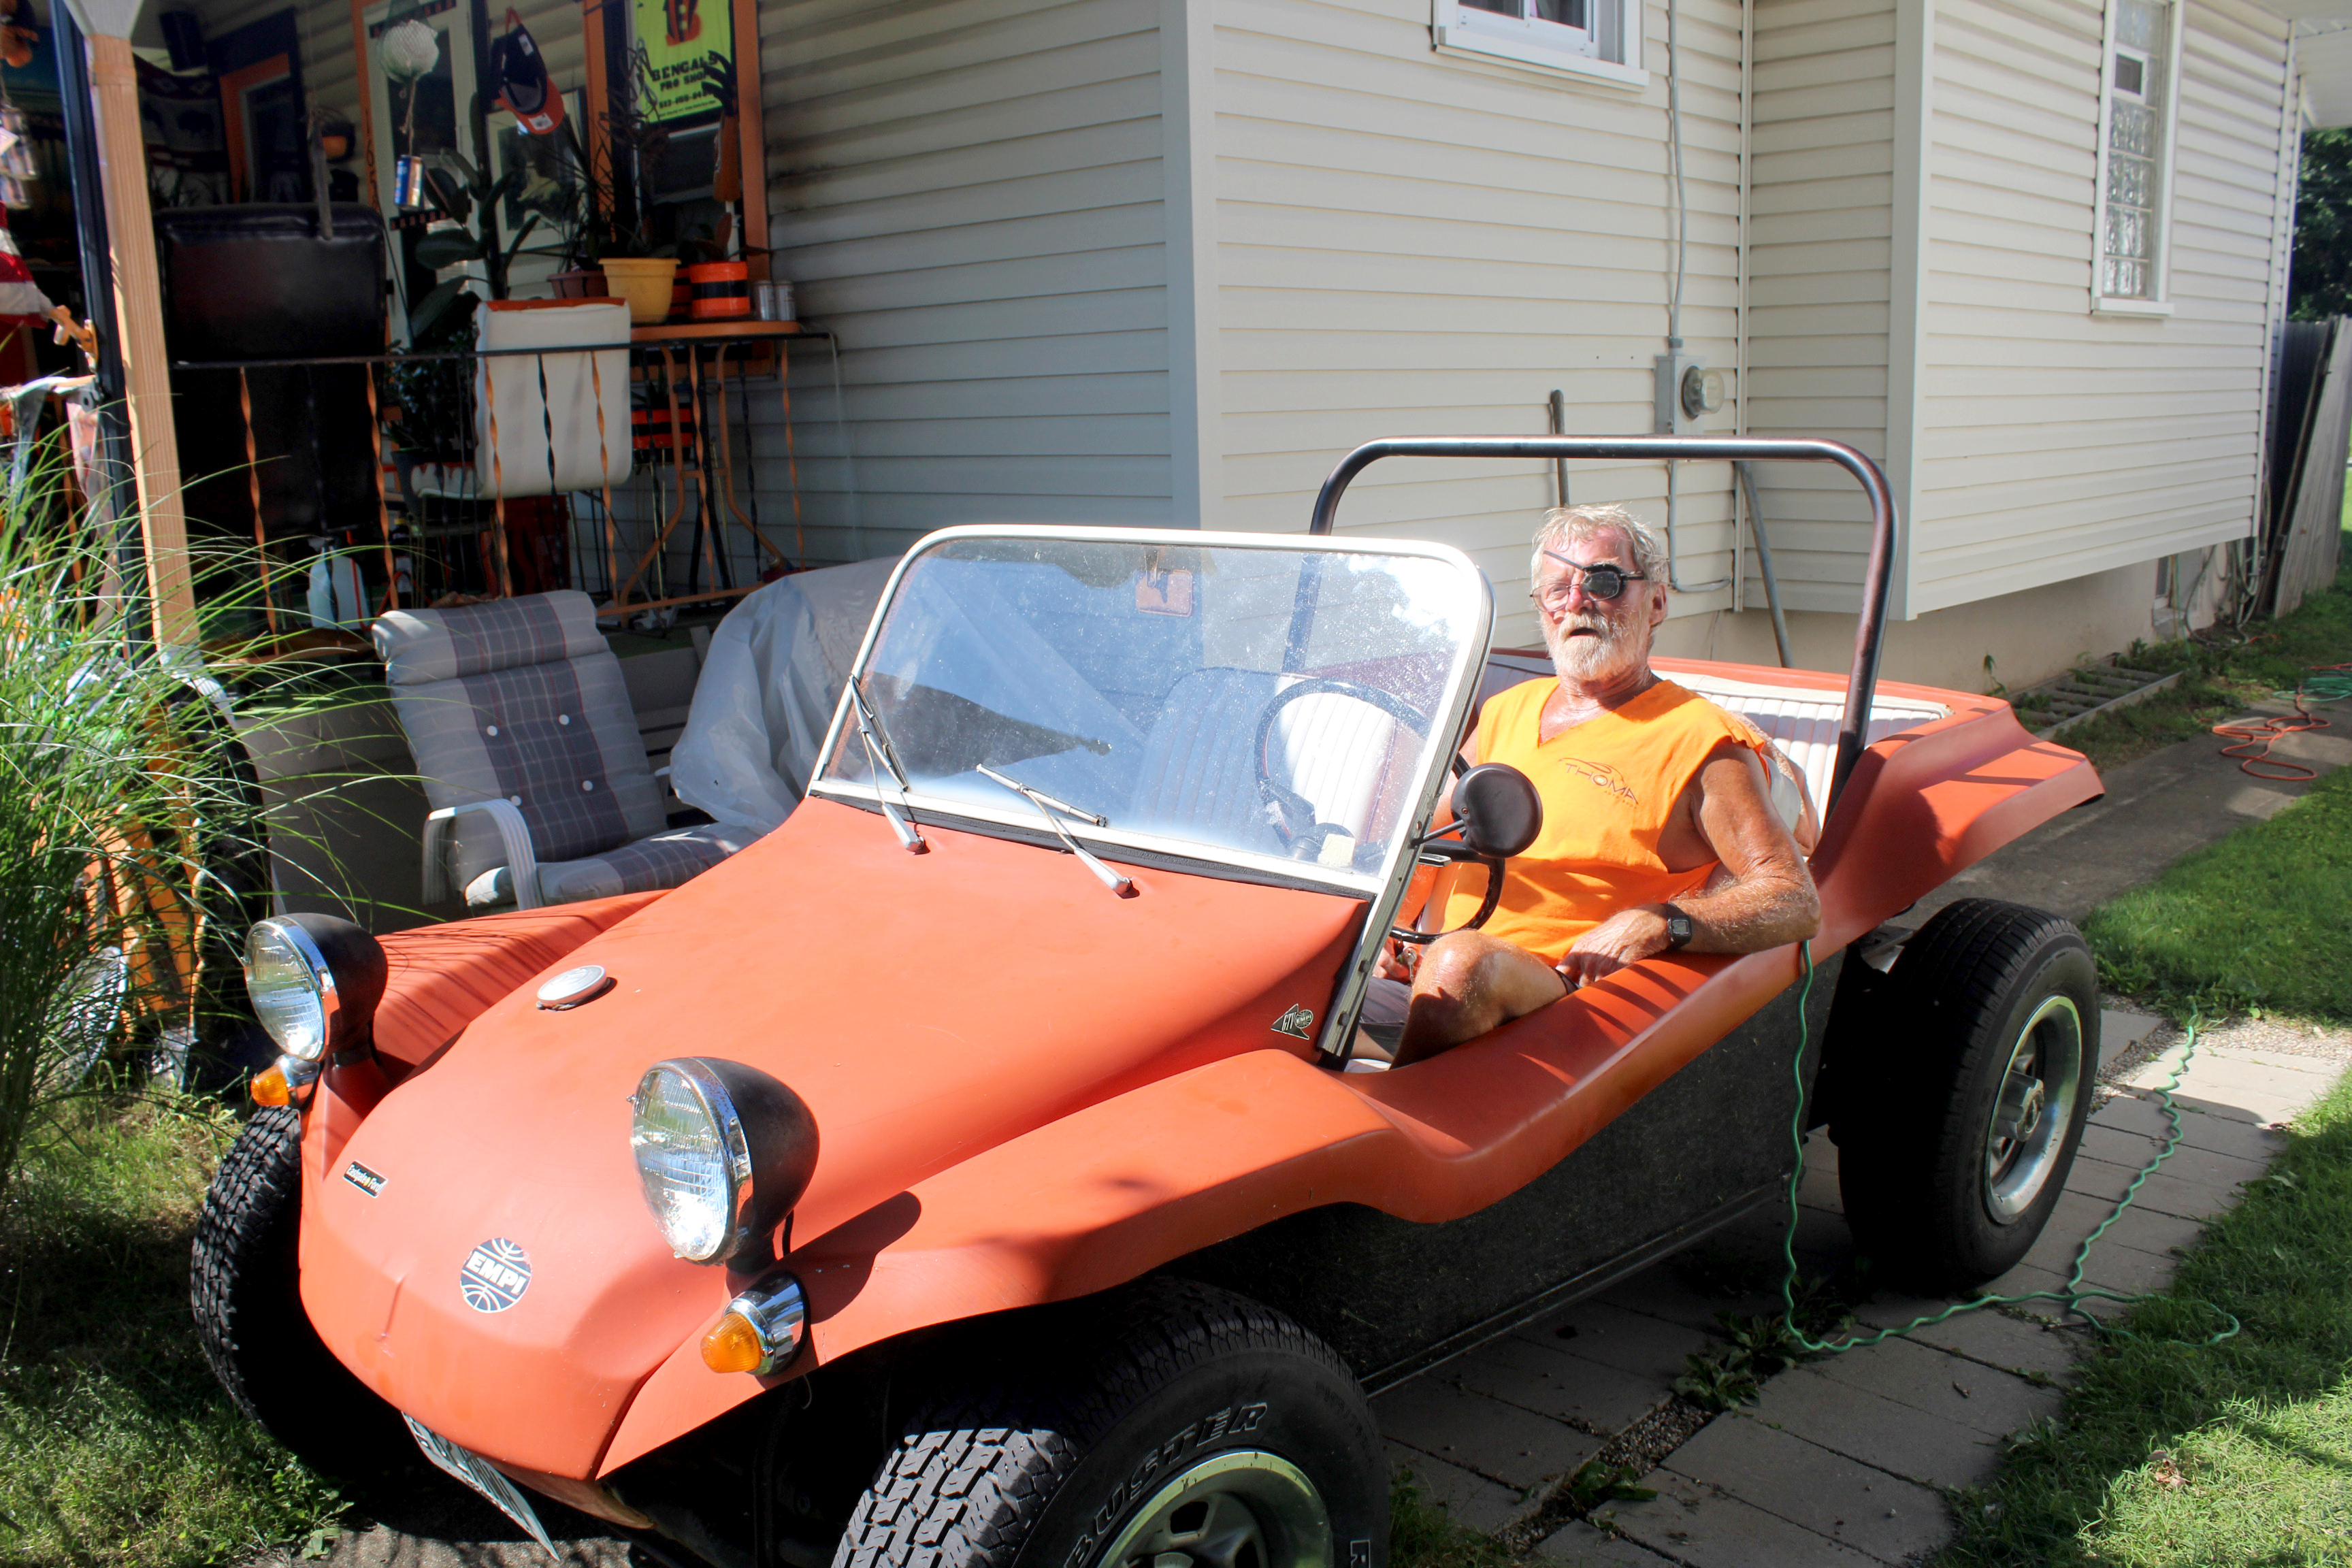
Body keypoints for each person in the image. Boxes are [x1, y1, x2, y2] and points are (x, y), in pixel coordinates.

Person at [1362, 504, 1820, 1067]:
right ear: (1542, 610)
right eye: (1556, 590)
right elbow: (1429, 837)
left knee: (1462, 963)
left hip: (1573, 996)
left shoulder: (1702, 742)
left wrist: (1664, 922)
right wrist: (1396, 933)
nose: (1576, 602)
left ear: (1655, 603)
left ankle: (1399, 1132)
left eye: (1604, 581)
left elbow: (1792, 899)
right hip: (1441, 975)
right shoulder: (1508, 709)